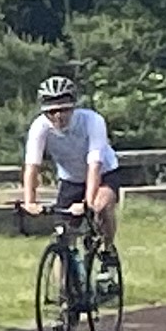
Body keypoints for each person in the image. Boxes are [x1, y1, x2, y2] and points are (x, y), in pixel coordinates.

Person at [20, 73, 121, 246]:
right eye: (52, 111)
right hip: (71, 179)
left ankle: (107, 249)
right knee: (63, 232)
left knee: (100, 206)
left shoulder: (92, 121)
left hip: (104, 173)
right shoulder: (39, 127)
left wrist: (88, 203)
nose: (58, 116)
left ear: (74, 107)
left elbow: (94, 164)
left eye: (64, 109)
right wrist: (29, 201)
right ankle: (65, 261)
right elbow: (32, 166)